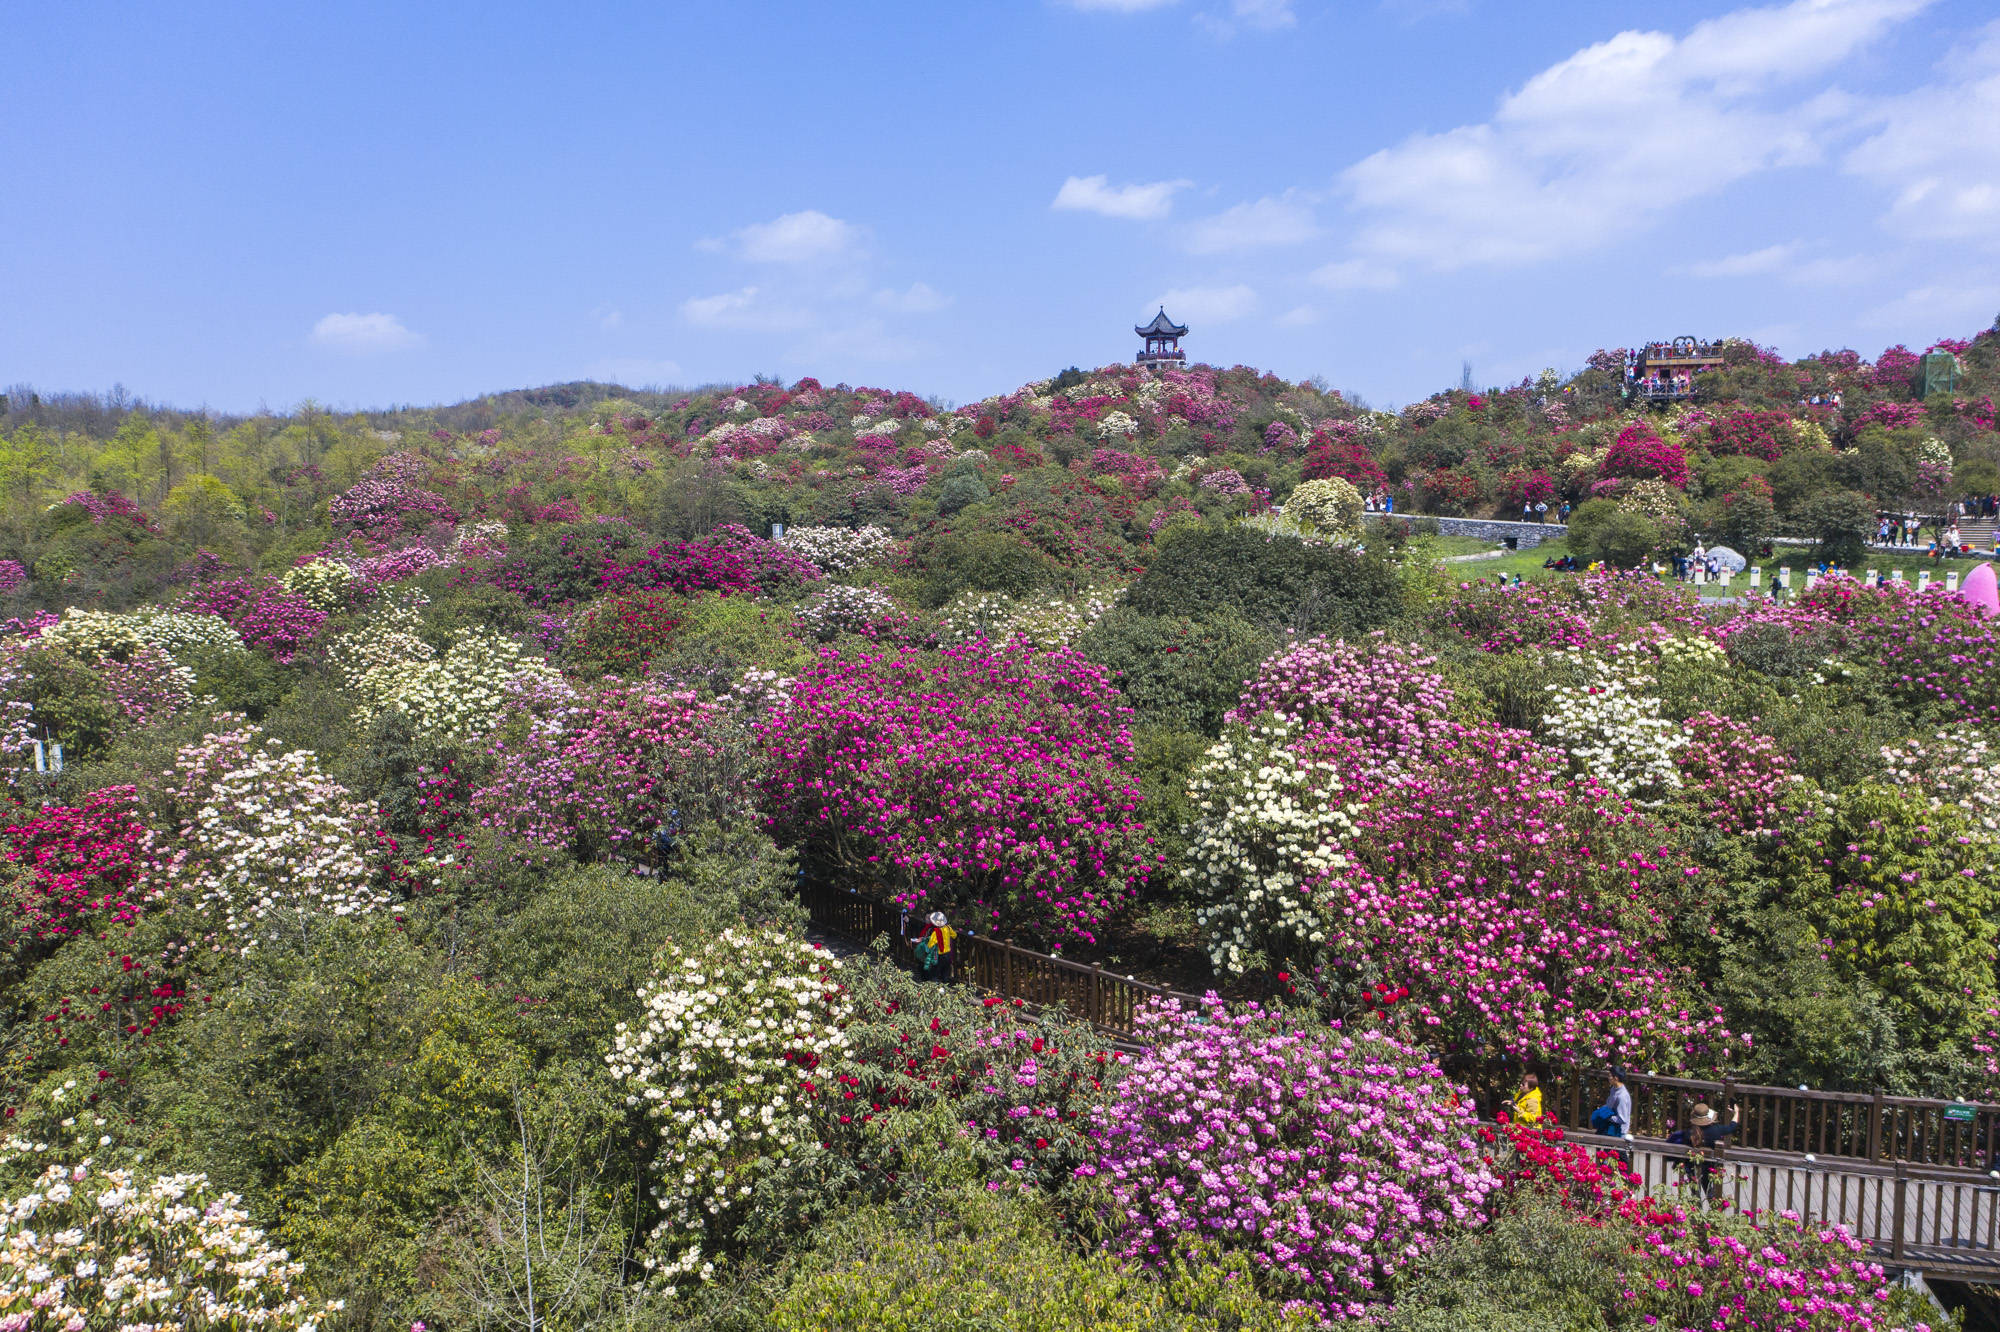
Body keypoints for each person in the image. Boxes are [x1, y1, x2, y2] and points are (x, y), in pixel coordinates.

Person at [1668, 1102, 1740, 1202]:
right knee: (1710, 1193)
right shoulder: (1717, 1130)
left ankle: (1696, 1210)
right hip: (1709, 1168)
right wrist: (1736, 1113)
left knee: (1695, 1193)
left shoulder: (1689, 1133)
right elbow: (1732, 1126)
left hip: (1692, 1166)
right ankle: (1714, 1210)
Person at [910, 909, 957, 983]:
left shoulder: (936, 932)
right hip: (948, 954)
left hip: (939, 955)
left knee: (935, 972)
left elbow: (930, 944)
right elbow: (954, 935)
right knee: (945, 972)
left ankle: (934, 987)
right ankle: (945, 986)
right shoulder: (948, 928)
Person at [1590, 1069, 1633, 1145]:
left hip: (1618, 1132)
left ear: (1616, 1078)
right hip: (1609, 1127)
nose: (1608, 1078)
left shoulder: (1622, 1096)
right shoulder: (1614, 1089)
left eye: (1610, 1076)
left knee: (1618, 1155)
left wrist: (1606, 1116)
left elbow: (1622, 1119)